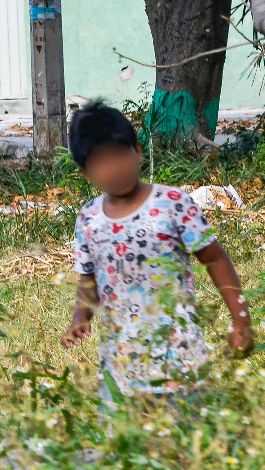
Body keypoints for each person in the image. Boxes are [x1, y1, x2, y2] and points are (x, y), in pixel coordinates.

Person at [61, 101, 254, 399]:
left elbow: (214, 257)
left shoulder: (173, 204)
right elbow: (88, 278)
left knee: (184, 440)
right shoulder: (88, 218)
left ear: (137, 151)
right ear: (86, 173)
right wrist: (80, 317)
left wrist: (241, 320)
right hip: (120, 363)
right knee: (123, 441)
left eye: (119, 156)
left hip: (178, 357)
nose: (114, 168)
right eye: (101, 162)